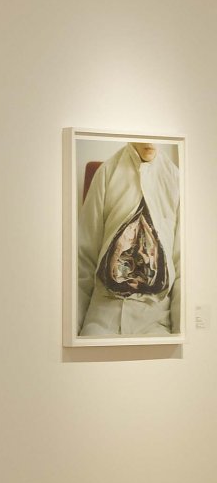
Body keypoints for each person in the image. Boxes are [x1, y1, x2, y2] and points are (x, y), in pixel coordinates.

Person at [78, 141, 181, 338]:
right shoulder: (107, 172)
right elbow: (84, 255)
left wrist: (180, 336)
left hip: (155, 319)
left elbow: (181, 263)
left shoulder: (175, 179)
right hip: (102, 315)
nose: (149, 141)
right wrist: (72, 331)